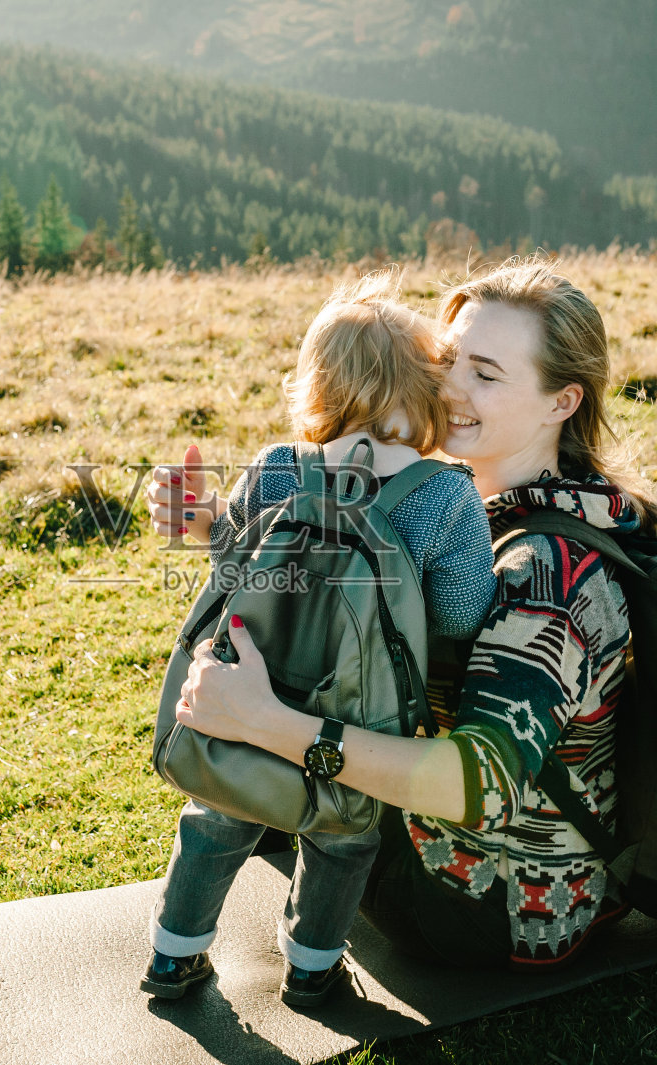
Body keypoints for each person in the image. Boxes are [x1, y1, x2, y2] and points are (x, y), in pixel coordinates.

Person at [151, 258, 657, 972]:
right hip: (447, 839)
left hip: (484, 898)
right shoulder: (461, 505)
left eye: (486, 375)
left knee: (261, 770)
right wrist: (219, 525)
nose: (449, 386)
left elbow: (480, 786)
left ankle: (229, 927)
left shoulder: (547, 574)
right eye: (449, 360)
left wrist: (268, 723)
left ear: (562, 402)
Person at [140, 272, 496, 1007]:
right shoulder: (444, 493)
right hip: (356, 718)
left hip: (249, 693)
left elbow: (233, 562)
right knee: (344, 838)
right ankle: (311, 965)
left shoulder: (279, 467)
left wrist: (201, 516)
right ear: (424, 387)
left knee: (216, 819)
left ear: (317, 386)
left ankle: (174, 957)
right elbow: (461, 616)